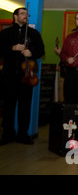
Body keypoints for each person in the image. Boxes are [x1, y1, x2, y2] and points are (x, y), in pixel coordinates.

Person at [0, 8, 45, 145]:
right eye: (22, 14)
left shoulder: (33, 33)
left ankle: (23, 134)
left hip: (26, 76)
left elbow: (41, 51)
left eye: (27, 14)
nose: (26, 16)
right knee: (8, 106)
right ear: (15, 16)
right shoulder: (5, 33)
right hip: (9, 75)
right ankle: (7, 134)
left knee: (25, 107)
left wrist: (31, 53)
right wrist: (12, 48)